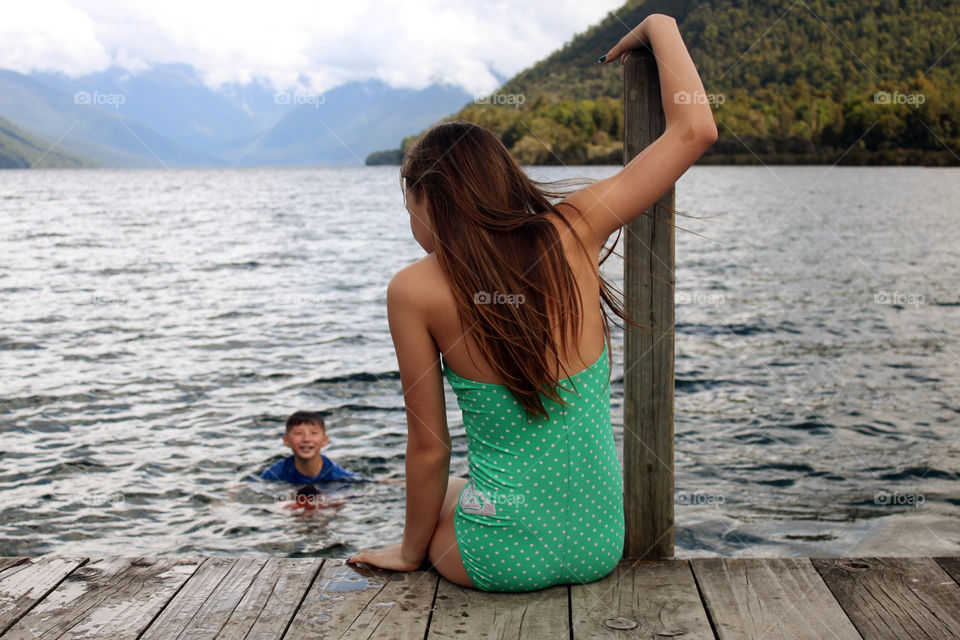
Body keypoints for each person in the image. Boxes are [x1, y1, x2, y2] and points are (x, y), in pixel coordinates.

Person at [348, 14, 717, 592]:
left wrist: (407, 551)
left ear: (432, 199)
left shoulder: (413, 289)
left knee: (446, 488)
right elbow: (695, 130)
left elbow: (428, 447)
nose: (409, 221)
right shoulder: (576, 228)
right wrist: (660, 25)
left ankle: (425, 545)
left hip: (497, 560)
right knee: (470, 487)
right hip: (599, 546)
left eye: (409, 203)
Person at [260, 410, 370, 484]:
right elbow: (255, 486)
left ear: (324, 440)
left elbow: (361, 481)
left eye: (314, 433)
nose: (306, 439)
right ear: (286, 441)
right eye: (298, 433)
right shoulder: (276, 472)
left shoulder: (336, 475)